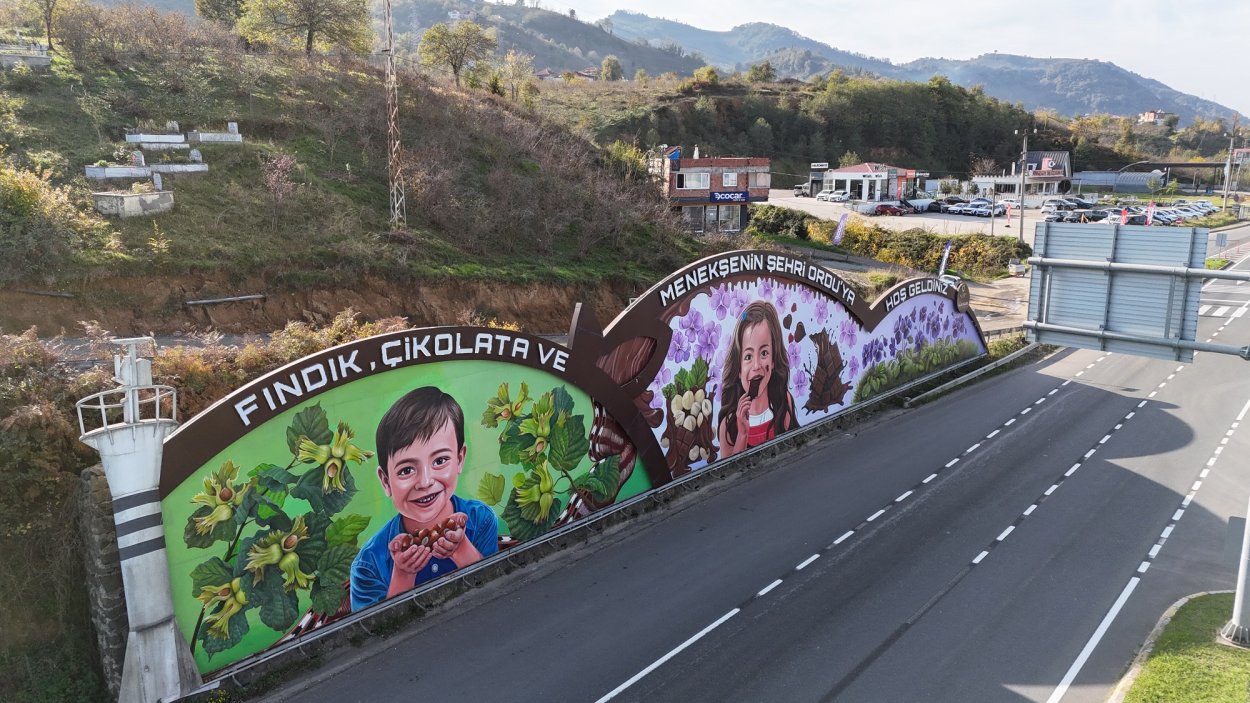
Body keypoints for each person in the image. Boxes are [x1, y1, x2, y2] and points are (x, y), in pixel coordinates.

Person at [350, 386, 498, 612]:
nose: (425, 482)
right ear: (386, 481)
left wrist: (461, 550)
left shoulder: (481, 520)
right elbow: (377, 628)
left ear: (459, 459)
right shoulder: (368, 565)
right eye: (406, 470)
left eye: (439, 461)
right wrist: (403, 575)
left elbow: (493, 592)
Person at [716, 300, 798, 459]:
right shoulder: (729, 423)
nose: (756, 365)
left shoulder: (783, 402)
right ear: (738, 369)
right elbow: (730, 469)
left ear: (773, 360)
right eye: (748, 356)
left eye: (764, 353)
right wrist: (742, 434)